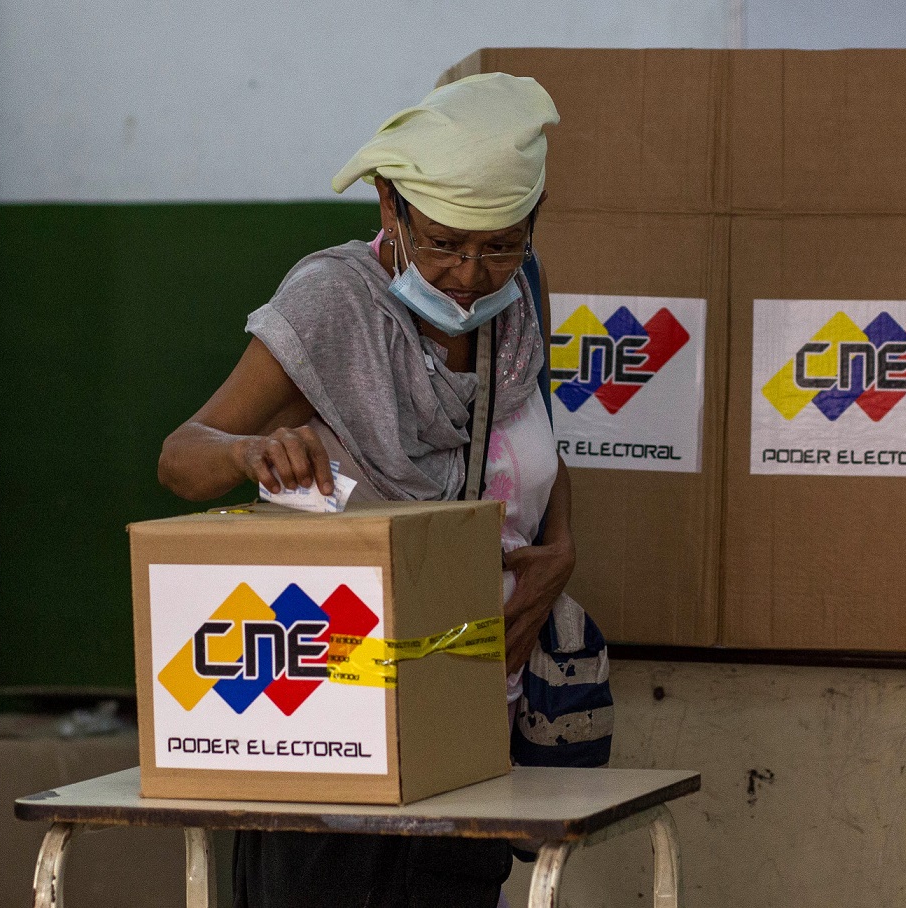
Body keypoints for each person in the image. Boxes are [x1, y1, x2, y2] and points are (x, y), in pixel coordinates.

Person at [158, 72, 603, 908]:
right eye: (442, 244)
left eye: (499, 245)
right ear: (387, 209)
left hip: (472, 702)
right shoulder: (334, 301)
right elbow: (181, 457)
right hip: (336, 707)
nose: (470, 273)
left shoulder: (516, 299)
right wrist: (255, 451)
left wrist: (560, 550)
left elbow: (526, 433)